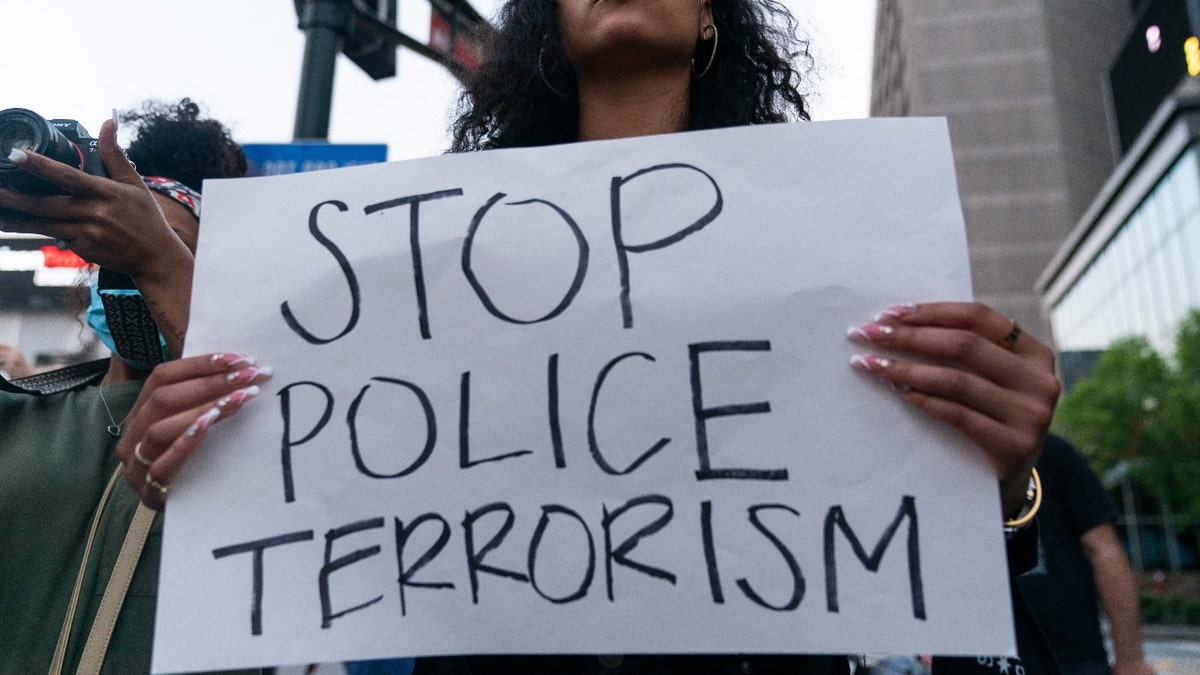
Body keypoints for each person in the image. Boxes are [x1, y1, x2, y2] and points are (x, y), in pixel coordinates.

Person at [62, 1, 1060, 673]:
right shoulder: (421, 266)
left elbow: (923, 542)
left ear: (714, 16)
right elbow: (317, 475)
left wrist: (1005, 485)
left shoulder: (847, 244)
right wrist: (200, 460)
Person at [0, 98, 262, 673]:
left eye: (173, 251)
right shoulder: (19, 419)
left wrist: (160, 266)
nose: (138, 268)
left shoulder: (257, 434)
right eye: (117, 250)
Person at [1017, 436, 1157, 675]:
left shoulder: (1048, 451)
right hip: (973, 658)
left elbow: (1104, 550)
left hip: (1069, 658)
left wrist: (1131, 658)